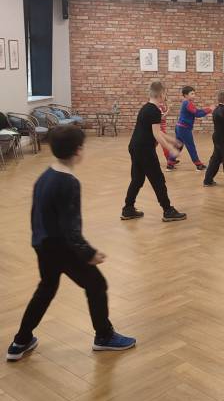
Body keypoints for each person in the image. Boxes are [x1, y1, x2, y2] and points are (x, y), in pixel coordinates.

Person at [7, 126, 136, 361]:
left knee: (46, 289)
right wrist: (88, 253)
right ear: (78, 151)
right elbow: (70, 228)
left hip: (42, 244)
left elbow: (37, 216)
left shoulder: (45, 176)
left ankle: (20, 341)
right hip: (61, 248)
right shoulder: (69, 182)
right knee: (97, 284)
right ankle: (104, 336)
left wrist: (40, 242)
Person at [122, 81, 186, 222]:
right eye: (165, 93)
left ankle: (128, 209)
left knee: (137, 179)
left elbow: (156, 132)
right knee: (158, 180)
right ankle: (168, 210)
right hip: (144, 149)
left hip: (135, 147)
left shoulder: (146, 108)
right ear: (161, 94)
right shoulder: (154, 111)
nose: (166, 96)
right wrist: (171, 149)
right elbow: (156, 134)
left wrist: (173, 140)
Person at [175, 86, 213, 170]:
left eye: (194, 93)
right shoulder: (187, 103)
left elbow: (197, 111)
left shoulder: (187, 103)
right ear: (186, 95)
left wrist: (207, 109)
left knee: (178, 146)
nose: (194, 95)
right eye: (192, 94)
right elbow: (197, 114)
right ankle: (198, 164)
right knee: (190, 146)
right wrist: (209, 109)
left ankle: (170, 162)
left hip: (179, 127)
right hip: (184, 129)